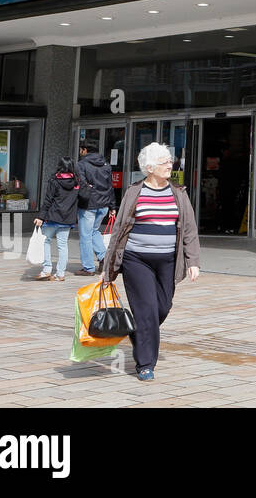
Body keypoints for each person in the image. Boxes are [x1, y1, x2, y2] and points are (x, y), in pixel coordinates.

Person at [101, 142, 201, 382]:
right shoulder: (135, 192)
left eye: (170, 161)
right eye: (165, 162)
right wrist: (108, 269)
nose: (170, 165)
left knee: (162, 308)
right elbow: (119, 231)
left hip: (168, 261)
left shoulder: (178, 193)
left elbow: (189, 229)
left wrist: (192, 260)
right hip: (136, 260)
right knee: (146, 310)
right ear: (150, 167)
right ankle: (145, 364)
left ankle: (139, 332)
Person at [34, 158, 80, 281]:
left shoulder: (54, 180)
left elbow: (48, 200)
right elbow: (85, 196)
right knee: (63, 245)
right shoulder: (76, 182)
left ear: (59, 166)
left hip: (52, 217)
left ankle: (47, 269)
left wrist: (40, 217)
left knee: (46, 241)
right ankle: (60, 274)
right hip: (67, 219)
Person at [75, 139, 114, 276]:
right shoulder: (106, 164)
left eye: (81, 149)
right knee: (94, 231)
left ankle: (88, 267)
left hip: (88, 204)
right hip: (103, 204)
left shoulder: (81, 164)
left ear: (84, 150)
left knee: (85, 235)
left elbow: (81, 184)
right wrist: (112, 206)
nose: (80, 152)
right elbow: (110, 186)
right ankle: (103, 258)